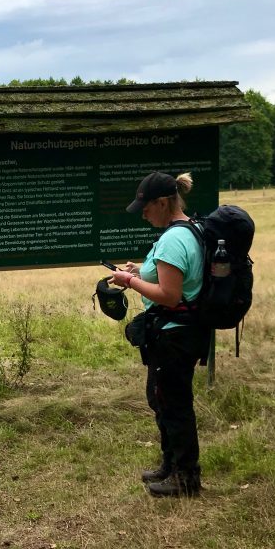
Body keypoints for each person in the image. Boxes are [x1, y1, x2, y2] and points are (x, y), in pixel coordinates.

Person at [111, 171, 210, 498]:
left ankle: (185, 478)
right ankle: (170, 465)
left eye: (145, 206)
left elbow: (169, 294)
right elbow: (171, 276)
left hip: (175, 336)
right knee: (161, 398)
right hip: (182, 332)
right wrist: (141, 271)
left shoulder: (173, 238)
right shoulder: (186, 229)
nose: (142, 212)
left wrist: (129, 282)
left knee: (174, 404)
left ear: (163, 202)